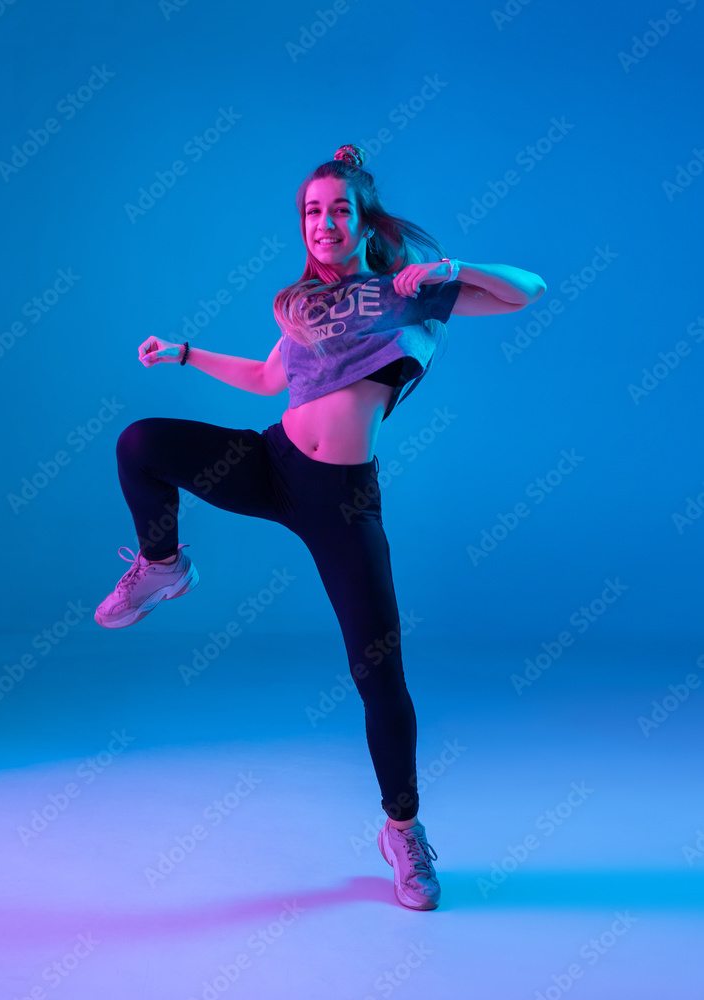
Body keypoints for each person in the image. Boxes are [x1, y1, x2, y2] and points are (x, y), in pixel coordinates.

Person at [95, 143, 547, 910]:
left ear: (363, 220)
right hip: (272, 465)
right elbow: (271, 379)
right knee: (141, 442)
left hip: (340, 499)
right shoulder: (305, 307)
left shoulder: (408, 293)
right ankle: (162, 566)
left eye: (338, 209)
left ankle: (402, 831)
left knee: (379, 673)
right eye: (312, 211)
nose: (323, 223)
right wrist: (184, 354)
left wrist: (450, 270)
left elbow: (527, 291)